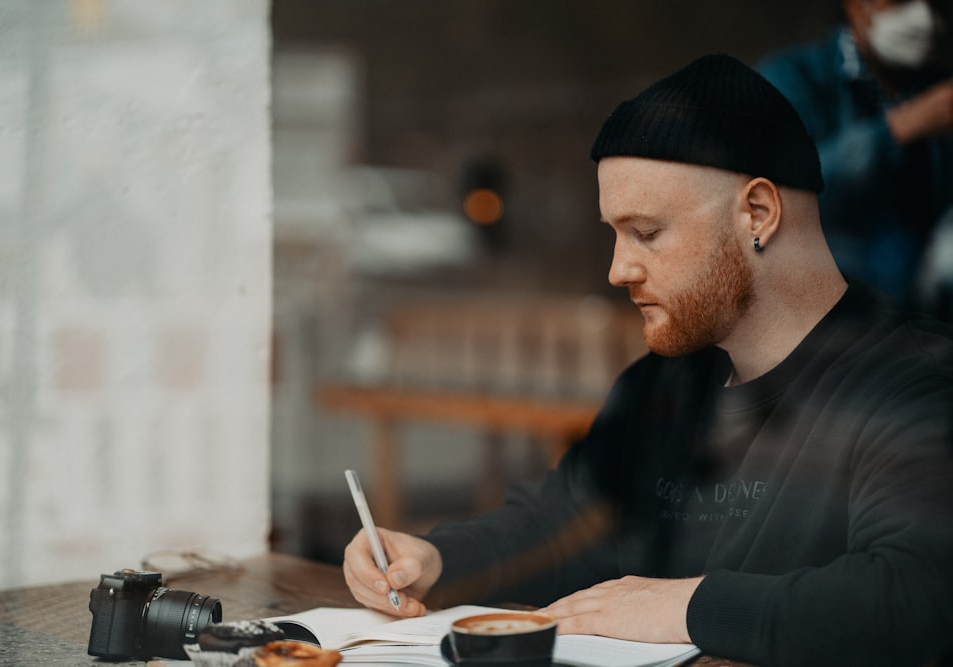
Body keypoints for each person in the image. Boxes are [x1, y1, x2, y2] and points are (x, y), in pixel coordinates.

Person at [342, 54, 953, 667]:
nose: (617, 269)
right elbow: (563, 519)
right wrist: (433, 558)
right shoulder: (663, 386)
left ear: (758, 214)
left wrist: (684, 607)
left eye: (647, 232)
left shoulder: (917, 383)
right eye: (614, 232)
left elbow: (919, 599)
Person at [757, 0, 953, 316]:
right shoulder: (793, 77)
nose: (924, 17)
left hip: (920, 291)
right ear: (856, 6)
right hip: (834, 293)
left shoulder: (935, 85)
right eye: (900, 1)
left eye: (933, 3)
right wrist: (900, 127)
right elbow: (787, 193)